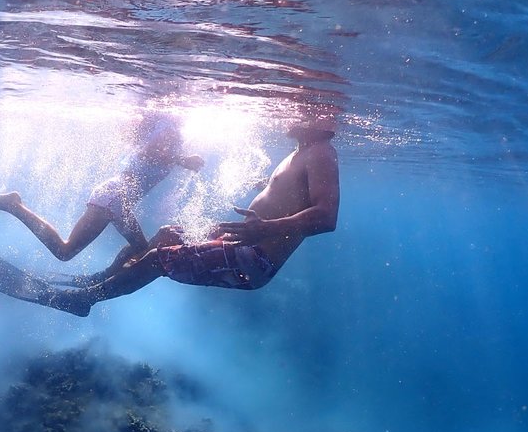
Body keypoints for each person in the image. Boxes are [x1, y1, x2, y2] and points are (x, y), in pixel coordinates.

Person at [40, 117, 339, 317]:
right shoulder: (303, 152)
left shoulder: (321, 152)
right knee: (167, 234)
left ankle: (84, 301)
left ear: (320, 117)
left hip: (253, 260)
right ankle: (99, 281)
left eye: (299, 105)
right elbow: (295, 197)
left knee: (158, 258)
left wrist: (265, 228)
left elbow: (326, 218)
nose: (288, 111)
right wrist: (266, 188)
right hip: (243, 245)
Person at [0, 112, 204, 265]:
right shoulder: (168, 130)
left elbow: (151, 152)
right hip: (114, 198)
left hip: (113, 197)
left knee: (140, 251)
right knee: (67, 252)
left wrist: (178, 158)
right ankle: (14, 205)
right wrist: (180, 159)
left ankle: (99, 285)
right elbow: (150, 152)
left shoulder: (169, 134)